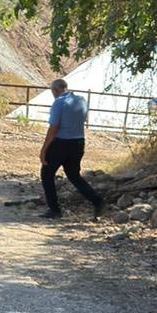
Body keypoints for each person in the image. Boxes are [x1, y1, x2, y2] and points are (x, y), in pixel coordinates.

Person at [40, 78, 105, 219]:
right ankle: (97, 201)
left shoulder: (58, 103)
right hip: (78, 143)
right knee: (74, 175)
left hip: (61, 143)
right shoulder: (81, 100)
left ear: (55, 90)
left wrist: (44, 149)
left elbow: (53, 128)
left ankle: (54, 209)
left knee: (47, 174)